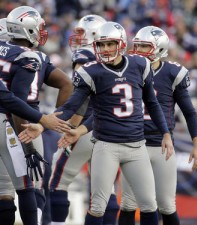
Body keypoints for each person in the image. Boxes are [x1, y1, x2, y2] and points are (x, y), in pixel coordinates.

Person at [19, 21, 174, 225]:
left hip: (137, 146)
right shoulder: (91, 71)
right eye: (101, 45)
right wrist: (42, 125)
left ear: (121, 43)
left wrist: (166, 133)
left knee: (149, 204)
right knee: (98, 205)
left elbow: (152, 103)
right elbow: (71, 106)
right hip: (106, 146)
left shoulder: (140, 65)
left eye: (110, 44)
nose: (105, 49)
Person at [0, 12, 68, 225]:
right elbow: (17, 101)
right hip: (9, 123)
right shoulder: (30, 57)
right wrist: (28, 146)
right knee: (27, 188)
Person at [0, 14, 73, 225]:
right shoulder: (39, 58)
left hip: (0, 120)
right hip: (31, 121)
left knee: (4, 192)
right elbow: (67, 84)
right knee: (33, 186)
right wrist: (50, 120)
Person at [118, 26, 197, 225]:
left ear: (160, 49)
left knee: (166, 204)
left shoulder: (172, 73)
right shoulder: (127, 68)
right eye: (136, 46)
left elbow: (189, 112)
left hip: (161, 145)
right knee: (129, 202)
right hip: (133, 143)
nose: (138, 51)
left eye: (144, 47)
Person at [49, 14, 120, 225]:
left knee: (57, 183)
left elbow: (81, 93)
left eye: (81, 33)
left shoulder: (85, 55)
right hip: (110, 128)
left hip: (86, 127)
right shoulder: (115, 58)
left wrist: (72, 126)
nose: (78, 38)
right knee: (106, 189)